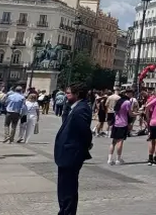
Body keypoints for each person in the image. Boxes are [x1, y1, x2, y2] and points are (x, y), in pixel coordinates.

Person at [54, 84, 93, 215]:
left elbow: (85, 132)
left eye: (68, 93)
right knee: (63, 187)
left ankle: (68, 212)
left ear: (77, 94)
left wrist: (84, 147)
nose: (66, 95)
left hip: (72, 153)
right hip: (67, 152)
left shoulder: (81, 109)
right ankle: (64, 211)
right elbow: (66, 121)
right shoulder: (74, 108)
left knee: (68, 187)